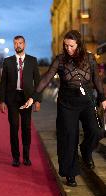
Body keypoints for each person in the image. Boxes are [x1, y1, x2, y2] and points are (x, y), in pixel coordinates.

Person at [21, 30, 106, 187]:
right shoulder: (60, 60)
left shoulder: (90, 58)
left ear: (79, 45)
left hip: (87, 101)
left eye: (71, 46)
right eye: (65, 45)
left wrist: (103, 98)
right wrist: (33, 96)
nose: (68, 49)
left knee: (97, 130)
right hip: (67, 103)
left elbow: (97, 79)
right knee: (69, 137)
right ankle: (70, 173)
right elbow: (46, 77)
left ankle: (86, 150)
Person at [0, 35, 41, 167]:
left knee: (26, 127)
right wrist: (2, 101)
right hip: (12, 98)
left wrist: (37, 100)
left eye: (20, 43)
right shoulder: (7, 61)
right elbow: (3, 83)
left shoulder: (33, 61)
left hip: (27, 98)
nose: (18, 45)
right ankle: (16, 157)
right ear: (13, 45)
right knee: (14, 127)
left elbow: (38, 82)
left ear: (25, 44)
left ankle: (26, 157)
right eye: (16, 43)